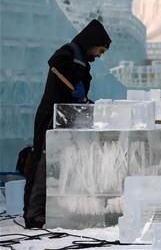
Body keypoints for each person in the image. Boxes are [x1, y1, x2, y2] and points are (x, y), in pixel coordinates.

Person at [23, 19, 111, 229]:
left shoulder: (83, 62)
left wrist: (84, 101)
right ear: (93, 42)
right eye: (100, 50)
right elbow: (56, 64)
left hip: (65, 119)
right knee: (43, 164)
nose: (100, 55)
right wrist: (74, 86)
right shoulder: (69, 52)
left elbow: (78, 93)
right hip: (50, 117)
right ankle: (34, 213)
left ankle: (51, 210)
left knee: (58, 166)